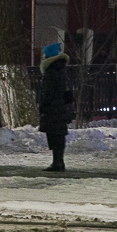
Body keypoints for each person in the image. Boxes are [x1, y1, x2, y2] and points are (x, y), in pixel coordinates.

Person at [37, 39, 75, 172]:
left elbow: (48, 91)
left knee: (53, 135)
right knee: (59, 135)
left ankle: (56, 163)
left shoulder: (50, 71)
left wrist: (43, 105)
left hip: (52, 108)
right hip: (61, 107)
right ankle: (59, 161)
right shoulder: (61, 69)